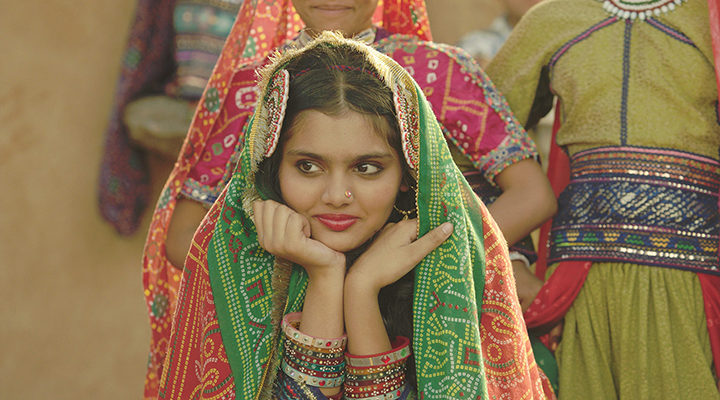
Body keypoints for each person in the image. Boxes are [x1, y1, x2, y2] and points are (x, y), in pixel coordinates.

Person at [142, 1, 556, 397]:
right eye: (307, 166)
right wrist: (292, 253)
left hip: (417, 298)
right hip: (286, 291)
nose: (337, 195)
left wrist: (441, 258)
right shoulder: (262, 86)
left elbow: (531, 195)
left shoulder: (436, 71)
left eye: (367, 167)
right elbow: (183, 238)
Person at [486, 0, 720, 398]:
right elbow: (472, 141)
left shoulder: (709, 17)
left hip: (695, 282)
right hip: (580, 284)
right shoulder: (553, 18)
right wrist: (512, 257)